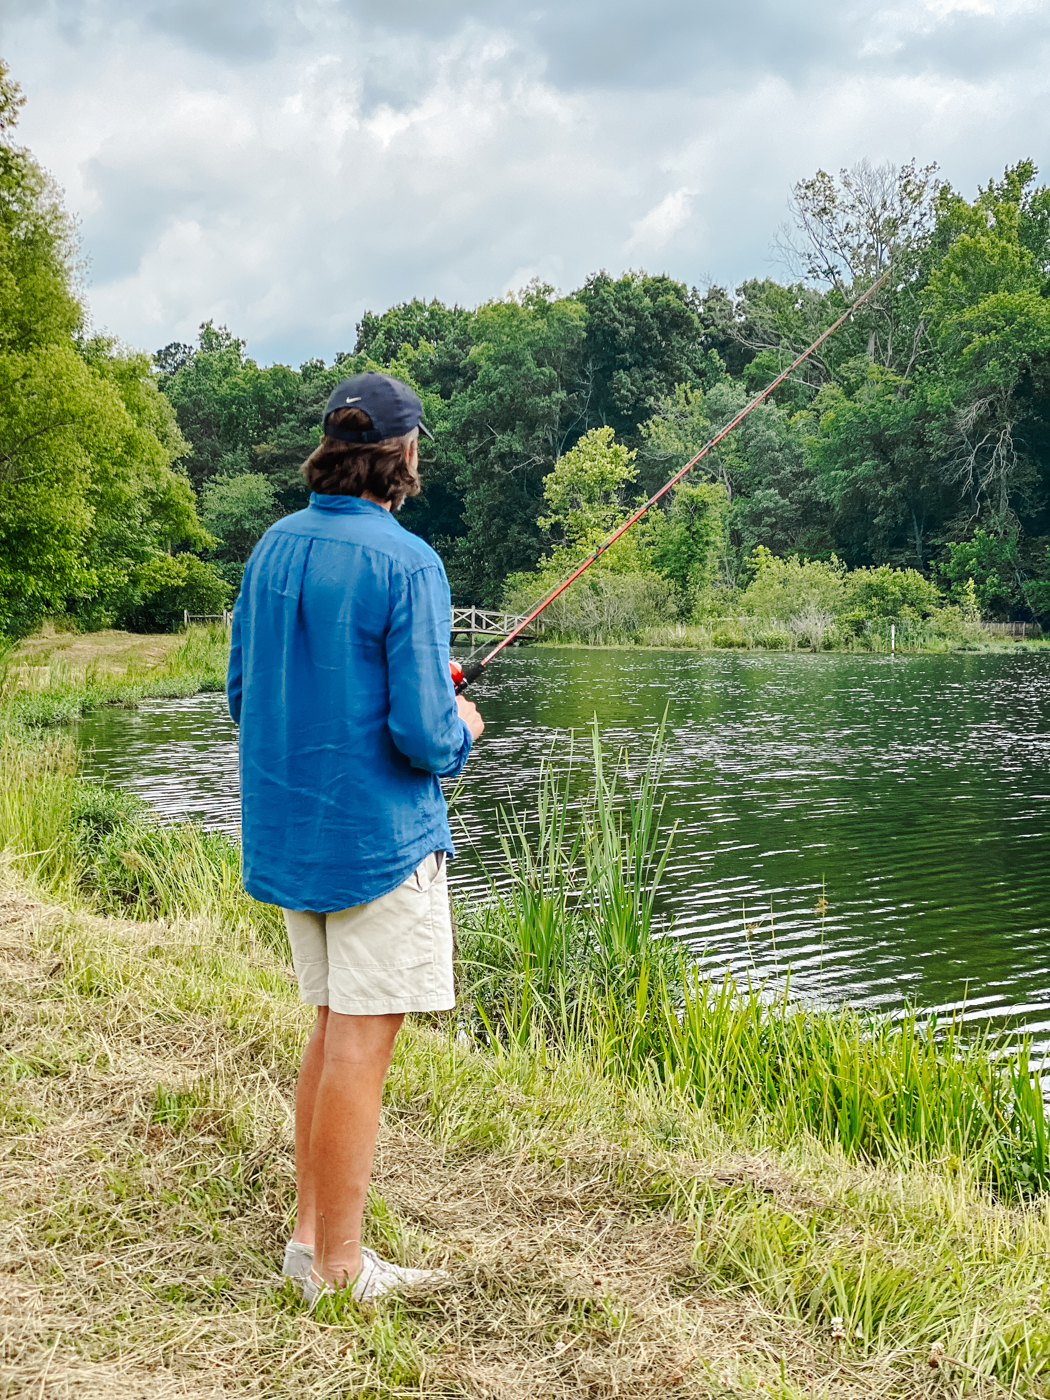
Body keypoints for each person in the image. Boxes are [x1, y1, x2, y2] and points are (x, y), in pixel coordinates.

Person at [227, 370, 484, 1306]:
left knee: (334, 1030)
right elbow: (422, 733)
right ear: (405, 454)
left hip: (295, 836)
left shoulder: (269, 549)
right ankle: (338, 1268)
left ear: (332, 448)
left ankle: (310, 1241)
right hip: (381, 841)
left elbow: (243, 696)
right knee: (358, 1048)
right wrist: (466, 727)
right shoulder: (407, 562)